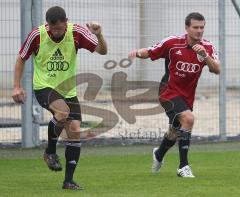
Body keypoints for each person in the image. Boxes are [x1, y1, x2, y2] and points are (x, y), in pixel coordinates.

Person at [12, 6, 107, 189]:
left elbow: (102, 51)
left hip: (68, 90)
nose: (55, 32)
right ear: (48, 25)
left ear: (66, 22)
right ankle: (50, 152)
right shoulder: (37, 35)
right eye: (52, 28)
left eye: (59, 29)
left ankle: (68, 181)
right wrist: (17, 86)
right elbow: (21, 58)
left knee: (75, 129)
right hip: (44, 87)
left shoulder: (77, 32)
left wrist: (99, 35)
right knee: (62, 112)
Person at [128, 12, 220, 177]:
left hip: (186, 96)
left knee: (175, 130)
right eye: (195, 27)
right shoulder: (172, 43)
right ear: (187, 28)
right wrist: (136, 53)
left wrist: (204, 56)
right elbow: (151, 51)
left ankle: (158, 154)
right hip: (167, 91)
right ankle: (183, 166)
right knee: (188, 119)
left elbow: (217, 70)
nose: (199, 31)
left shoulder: (208, 47)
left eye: (202, 27)